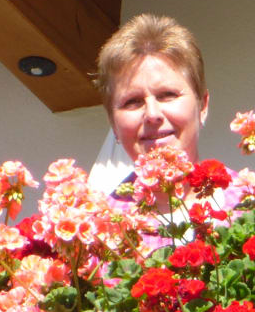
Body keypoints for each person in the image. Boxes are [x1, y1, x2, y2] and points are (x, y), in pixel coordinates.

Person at [89, 13, 210, 197]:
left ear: (202, 106)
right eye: (132, 101)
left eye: (168, 95)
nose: (152, 115)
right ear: (113, 123)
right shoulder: (97, 222)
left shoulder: (254, 206)